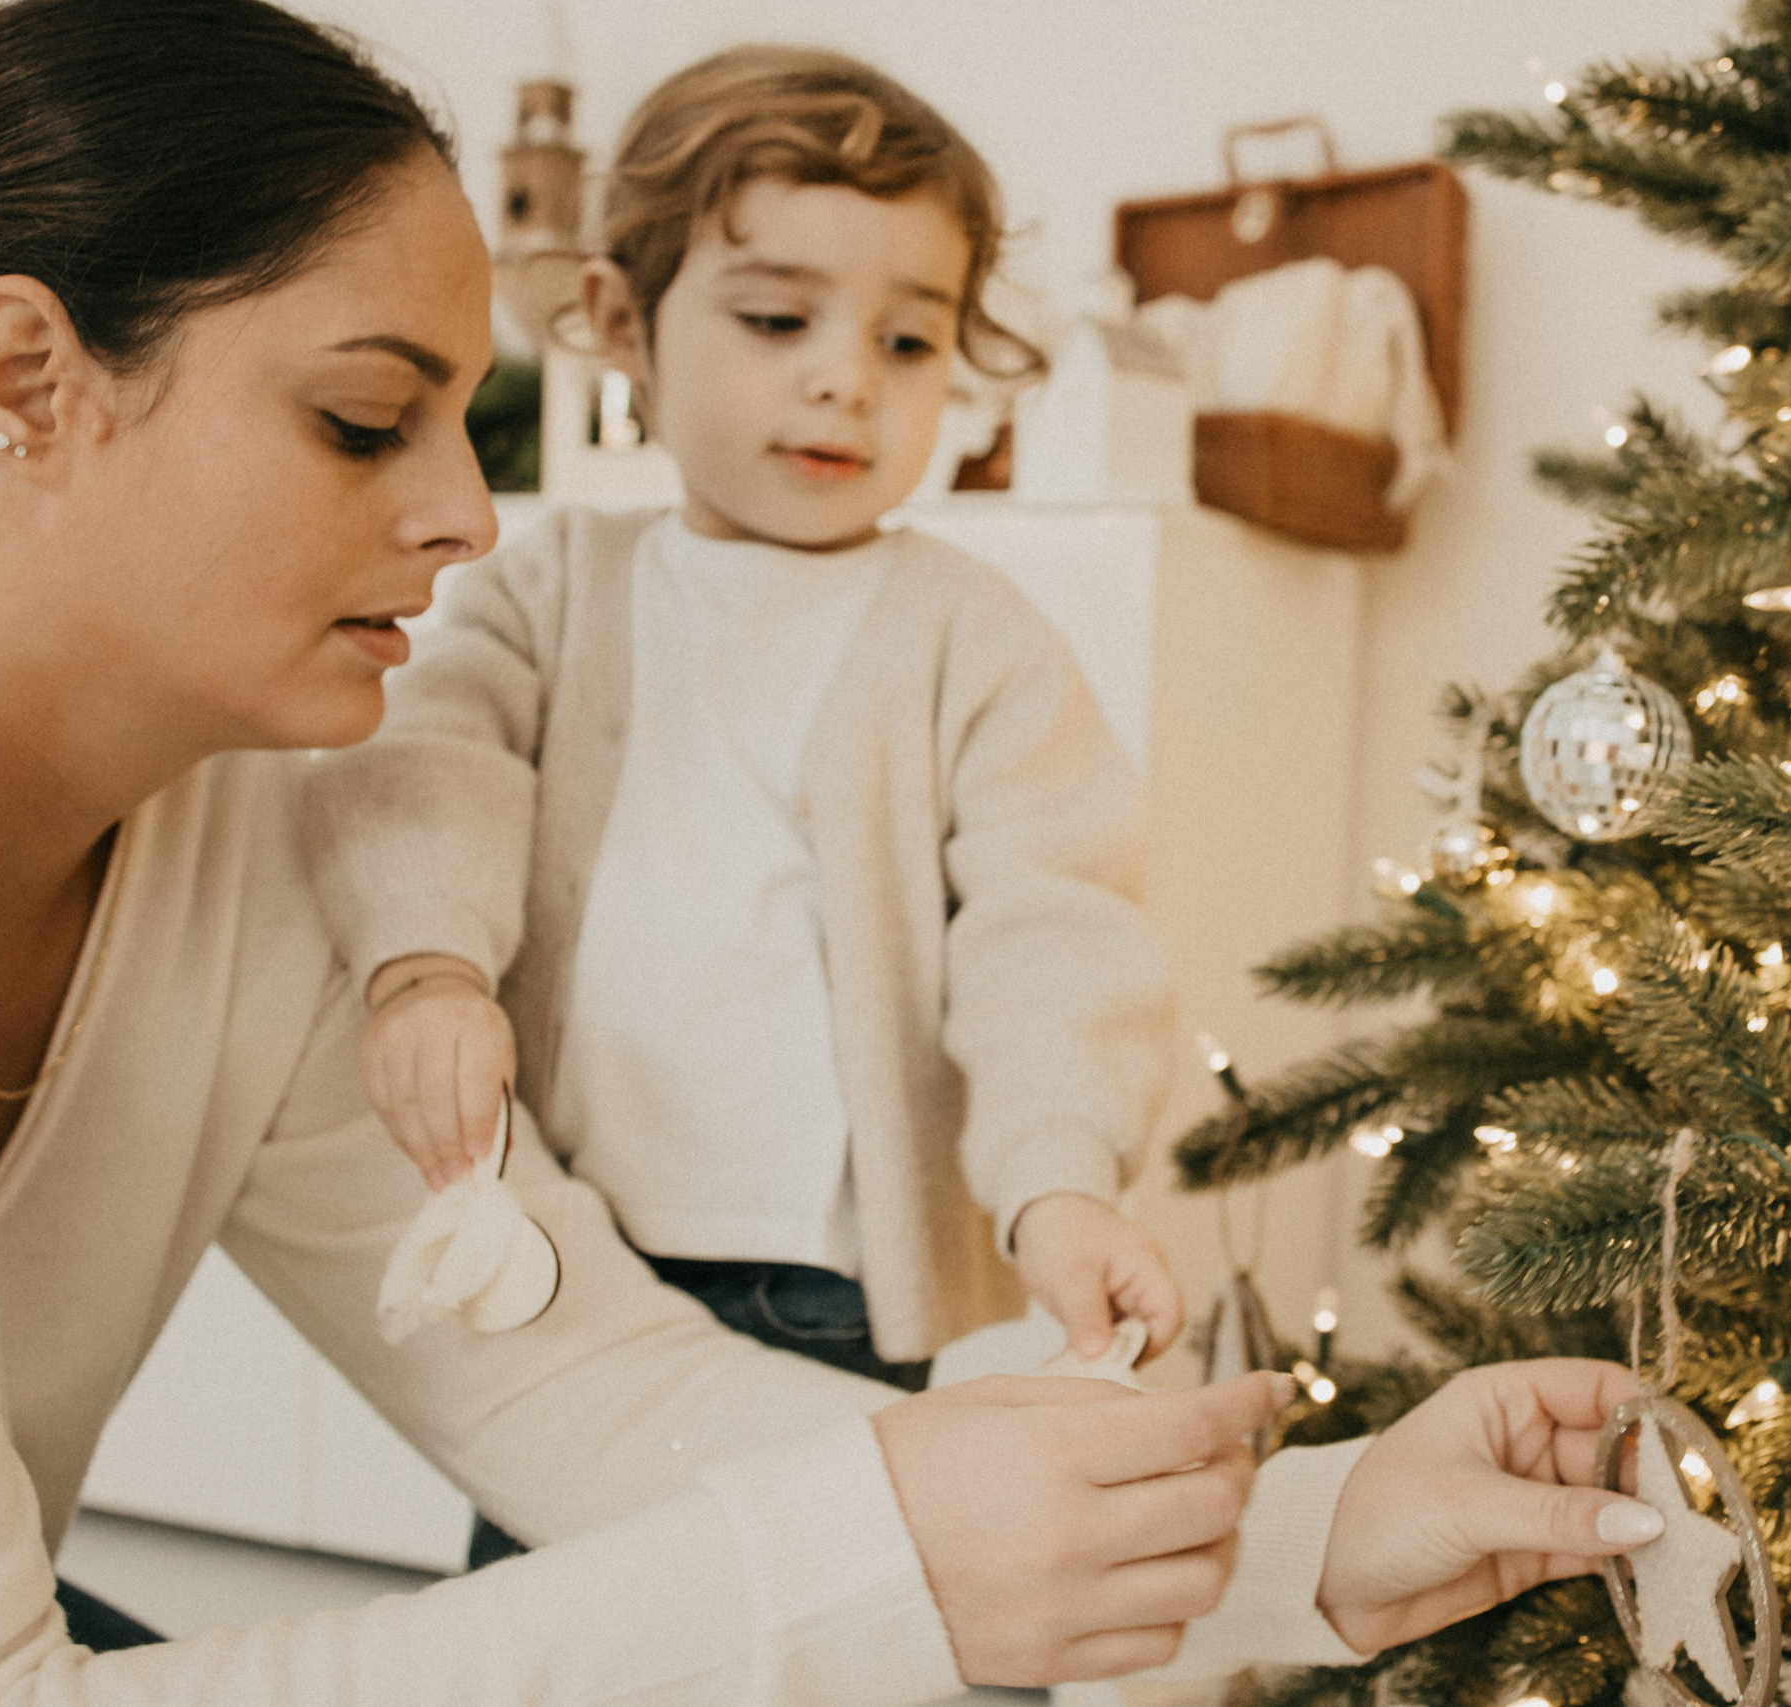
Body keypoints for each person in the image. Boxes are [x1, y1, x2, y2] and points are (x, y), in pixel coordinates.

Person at [0, 3, 1669, 1703]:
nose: (470, 514)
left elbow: (570, 1379)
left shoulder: (241, 833)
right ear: (26, 382)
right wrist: (873, 1558)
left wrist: (1296, 1538)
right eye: (361, 420)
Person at [306, 50, 1184, 1573]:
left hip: (826, 1290)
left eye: (909, 341)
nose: (845, 373)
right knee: (551, 1631)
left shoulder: (974, 638)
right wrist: (425, 967)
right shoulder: (552, 588)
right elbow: (421, 769)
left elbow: (1057, 924)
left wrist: (1059, 1179)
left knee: (822, 1620)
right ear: (621, 324)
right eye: (778, 320)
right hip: (562, 1247)